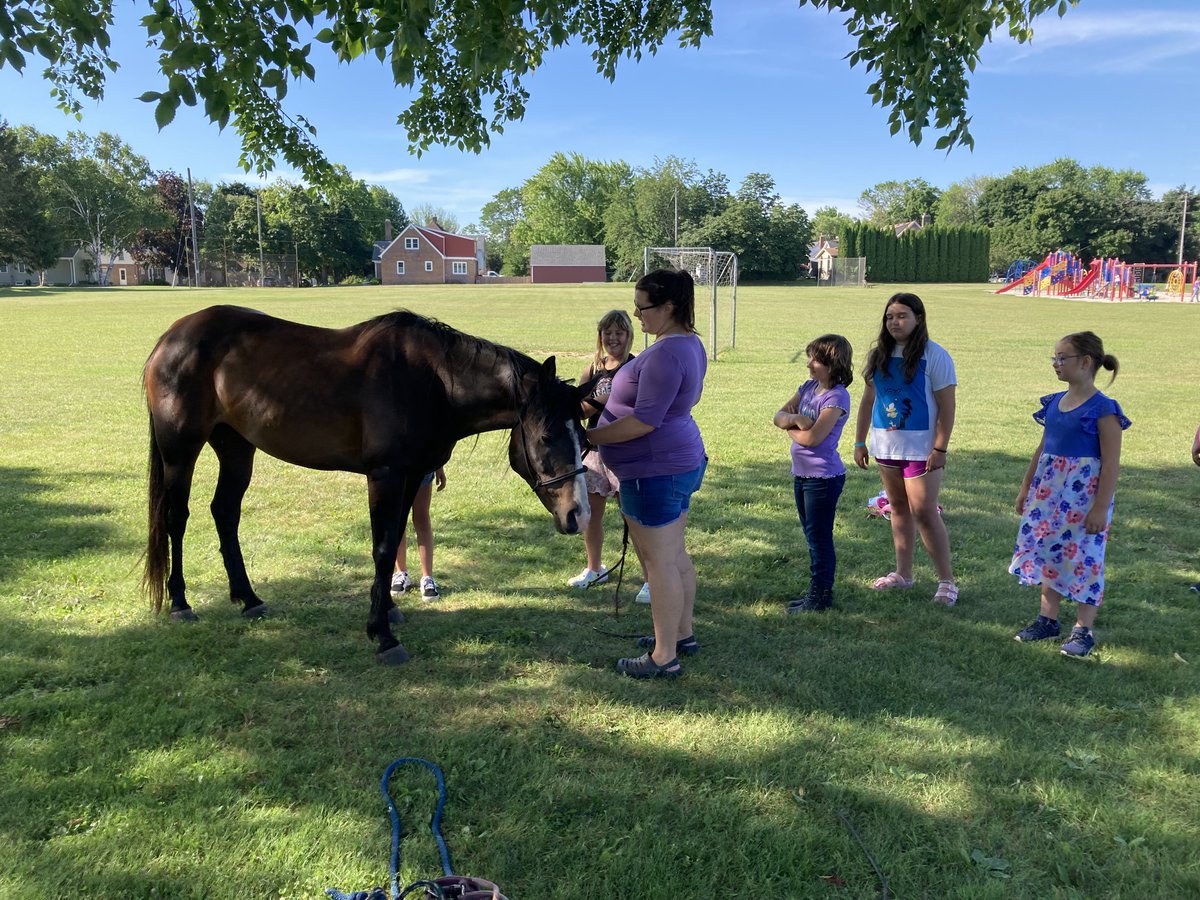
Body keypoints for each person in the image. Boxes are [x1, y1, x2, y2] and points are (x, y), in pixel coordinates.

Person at [587, 269, 707, 679]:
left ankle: (663, 656)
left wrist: (590, 436)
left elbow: (644, 421)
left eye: (643, 308)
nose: (637, 315)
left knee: (659, 564)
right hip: (676, 461)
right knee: (673, 556)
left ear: (668, 307)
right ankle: (681, 635)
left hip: (653, 472)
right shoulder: (689, 343)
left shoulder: (664, 355)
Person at [1011, 333, 1129, 657]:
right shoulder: (1054, 403)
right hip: (1048, 493)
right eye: (1055, 357)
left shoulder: (1103, 410)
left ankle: (1082, 630)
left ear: (1086, 362)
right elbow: (1042, 450)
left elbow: (1111, 464)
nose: (1056, 363)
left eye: (1063, 358)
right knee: (1049, 549)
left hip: (1083, 497)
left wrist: (1100, 508)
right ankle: (1047, 619)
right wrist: (1026, 487)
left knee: (1084, 556)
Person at [853, 292, 959, 606]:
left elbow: (947, 406)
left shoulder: (935, 355)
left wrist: (940, 448)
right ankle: (903, 574)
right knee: (897, 508)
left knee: (925, 512)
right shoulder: (879, 355)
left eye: (902, 316)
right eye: (889, 317)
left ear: (918, 318)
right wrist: (860, 441)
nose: (894, 322)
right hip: (886, 447)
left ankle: (947, 581)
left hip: (922, 450)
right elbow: (868, 401)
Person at [567, 310, 651, 604]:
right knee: (591, 515)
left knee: (633, 518)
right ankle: (595, 569)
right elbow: (579, 409)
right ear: (600, 336)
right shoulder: (593, 368)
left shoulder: (636, 367)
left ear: (629, 335)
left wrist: (604, 400)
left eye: (619, 332)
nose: (613, 338)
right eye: (608, 333)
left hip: (625, 450)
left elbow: (640, 410)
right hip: (594, 452)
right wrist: (596, 401)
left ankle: (650, 579)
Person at [773, 334, 854, 613]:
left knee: (819, 539)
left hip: (823, 479)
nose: (808, 364)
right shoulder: (808, 387)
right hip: (802, 475)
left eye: (815, 360)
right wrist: (795, 419)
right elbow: (778, 416)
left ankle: (820, 596)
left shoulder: (837, 397)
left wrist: (789, 429)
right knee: (812, 536)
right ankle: (816, 592)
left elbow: (812, 439)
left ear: (833, 364)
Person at [390, 467, 446, 601]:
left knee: (421, 519)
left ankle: (427, 578)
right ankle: (401, 573)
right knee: (398, 519)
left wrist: (439, 467)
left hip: (422, 467)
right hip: (396, 466)